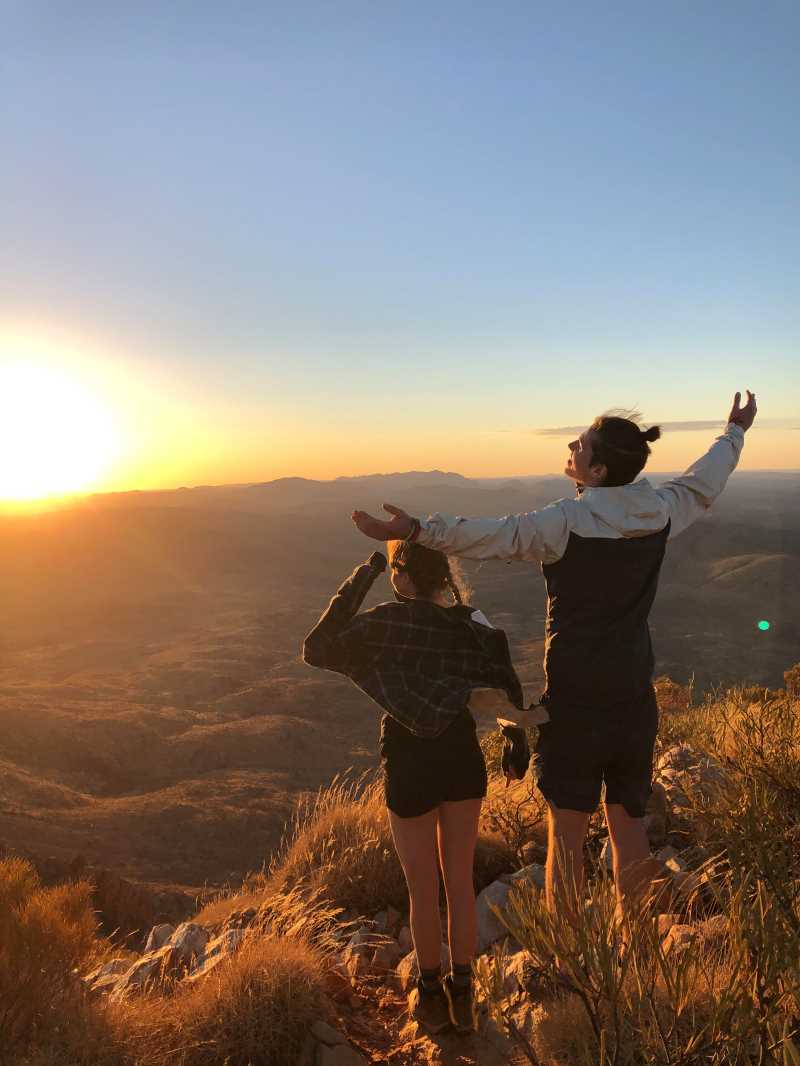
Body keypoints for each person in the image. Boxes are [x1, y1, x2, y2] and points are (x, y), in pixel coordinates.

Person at [351, 392, 758, 933]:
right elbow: (703, 483)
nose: (572, 444)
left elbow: (493, 535)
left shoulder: (567, 522)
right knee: (628, 824)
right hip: (633, 696)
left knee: (566, 833)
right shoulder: (659, 511)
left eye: (581, 444)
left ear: (598, 469)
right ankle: (635, 948)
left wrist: (417, 531)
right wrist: (734, 432)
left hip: (575, 699)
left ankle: (569, 957)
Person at [302, 538, 530, 1034]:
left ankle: (429, 996)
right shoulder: (469, 626)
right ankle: (463, 994)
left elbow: (317, 648)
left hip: (409, 762)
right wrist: (516, 742)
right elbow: (507, 691)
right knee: (459, 882)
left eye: (393, 568)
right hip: (461, 758)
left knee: (421, 887)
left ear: (403, 577)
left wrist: (364, 573)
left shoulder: (386, 623)